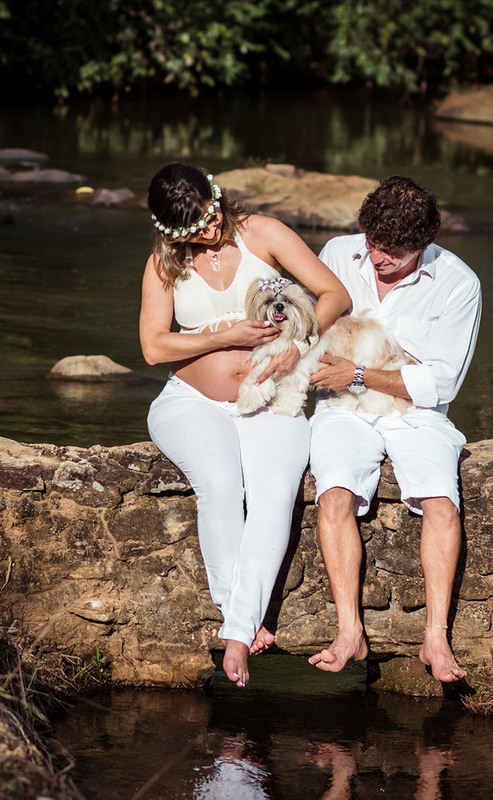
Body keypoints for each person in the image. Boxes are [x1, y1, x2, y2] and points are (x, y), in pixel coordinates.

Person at [140, 162, 349, 687]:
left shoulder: (265, 233)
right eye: (194, 231)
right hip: (192, 400)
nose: (210, 232)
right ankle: (241, 619)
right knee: (220, 486)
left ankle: (237, 634)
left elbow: (335, 295)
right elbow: (153, 346)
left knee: (275, 495)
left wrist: (299, 346)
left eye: (212, 216)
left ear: (217, 195)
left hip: (272, 398)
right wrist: (222, 336)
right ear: (170, 232)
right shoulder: (164, 266)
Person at [307, 175, 482, 682]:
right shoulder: (338, 253)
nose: (376, 258)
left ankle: (435, 640)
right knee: (334, 495)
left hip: (417, 414)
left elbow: (441, 382)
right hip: (343, 405)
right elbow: (309, 329)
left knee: (442, 504)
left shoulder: (458, 282)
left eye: (392, 253)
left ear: (423, 247)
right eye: (372, 244)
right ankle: (350, 634)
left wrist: (361, 371)